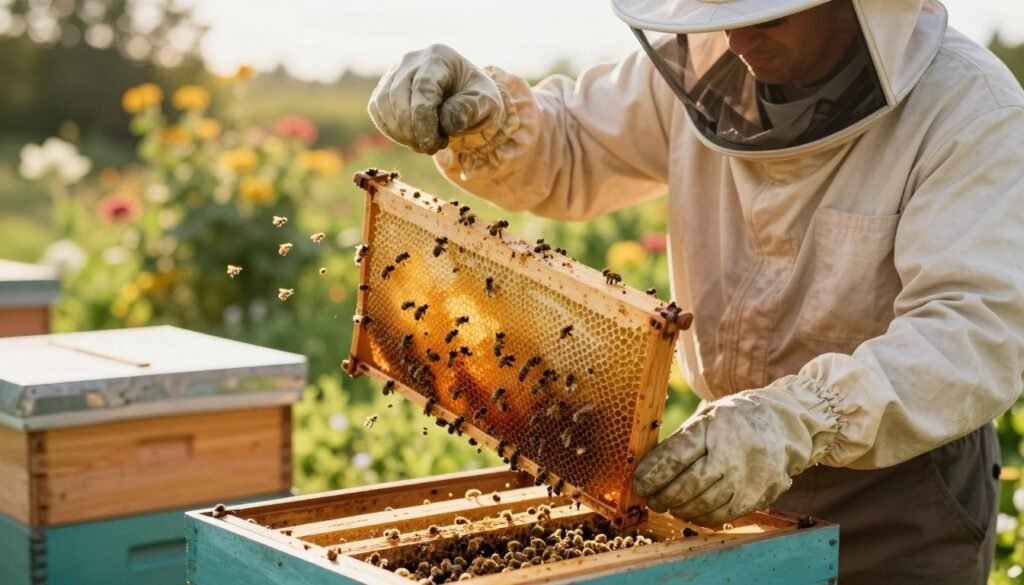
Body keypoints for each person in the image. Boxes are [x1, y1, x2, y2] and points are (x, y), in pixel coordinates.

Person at [367, 0, 1024, 582]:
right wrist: (481, 119)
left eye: (768, 14)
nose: (739, 39)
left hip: (895, 493)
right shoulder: (706, 61)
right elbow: (572, 146)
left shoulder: (969, 111)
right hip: (722, 467)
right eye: (721, 9)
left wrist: (797, 420)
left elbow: (970, 334)